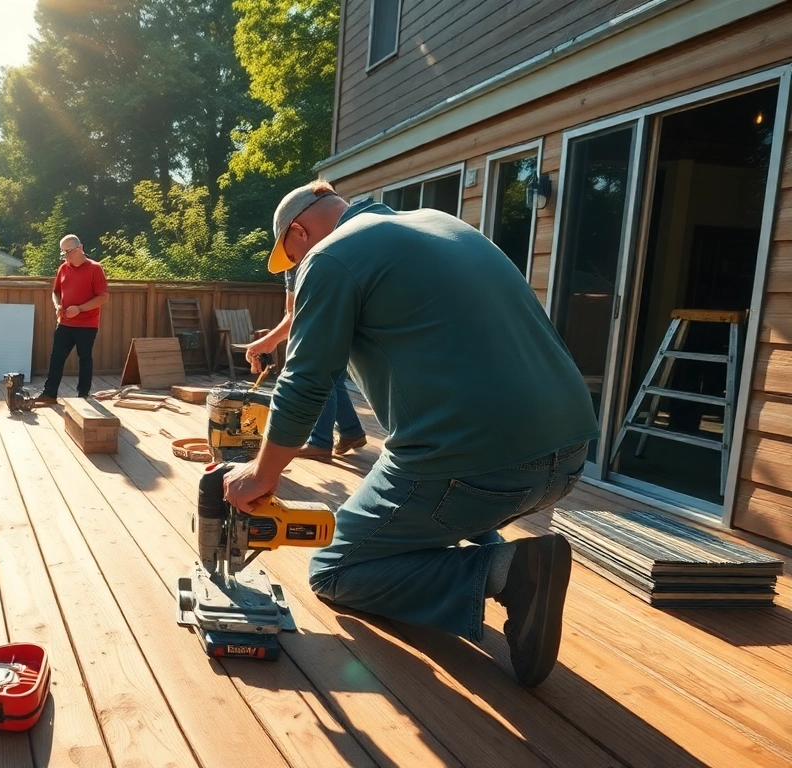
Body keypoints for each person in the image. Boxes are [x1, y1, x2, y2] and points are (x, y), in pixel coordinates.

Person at [223, 181, 598, 687]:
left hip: (475, 467)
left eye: (291, 255)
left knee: (334, 569)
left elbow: (306, 380)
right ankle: (504, 555)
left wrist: (261, 473)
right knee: (432, 496)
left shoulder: (330, 257)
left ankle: (508, 571)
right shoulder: (449, 225)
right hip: (571, 455)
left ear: (299, 231)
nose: (295, 265)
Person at [244, 262, 367, 462]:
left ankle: (320, 442)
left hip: (325, 327)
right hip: (347, 324)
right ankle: (351, 430)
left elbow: (293, 315)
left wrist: (268, 341)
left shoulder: (298, 262)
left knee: (319, 376)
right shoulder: (339, 254)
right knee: (333, 377)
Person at [37, 234, 109, 405]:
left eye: (67, 252)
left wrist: (80, 309)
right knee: (56, 357)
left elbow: (103, 297)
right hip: (65, 323)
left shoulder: (95, 268)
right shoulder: (63, 268)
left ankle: (83, 395)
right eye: (63, 253)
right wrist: (57, 305)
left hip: (87, 324)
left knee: (85, 358)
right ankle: (49, 394)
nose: (65, 256)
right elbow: (55, 292)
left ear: (80, 249)